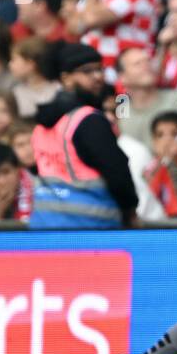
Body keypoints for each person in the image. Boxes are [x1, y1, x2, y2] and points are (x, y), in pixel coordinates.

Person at [29, 41, 138, 228]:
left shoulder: (42, 123)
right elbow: (117, 173)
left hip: (44, 225)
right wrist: (130, 209)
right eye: (87, 71)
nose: (98, 77)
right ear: (66, 78)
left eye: (100, 70)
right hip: (90, 228)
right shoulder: (88, 120)